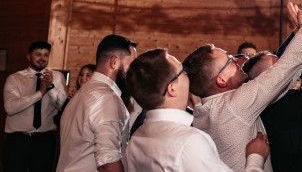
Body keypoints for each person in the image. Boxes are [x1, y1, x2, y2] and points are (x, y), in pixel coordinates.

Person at [183, 0, 302, 172]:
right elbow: (285, 68)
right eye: (229, 61)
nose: (237, 60)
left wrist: (299, 33)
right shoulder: (233, 106)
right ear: (221, 80)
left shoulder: (204, 111)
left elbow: (281, 78)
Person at [125, 48, 269, 172]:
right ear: (172, 88)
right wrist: (255, 158)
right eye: (183, 72)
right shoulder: (189, 141)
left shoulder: (135, 139)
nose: (187, 77)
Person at [57, 34, 138, 172]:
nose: (134, 73)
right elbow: (107, 163)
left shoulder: (82, 93)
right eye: (132, 66)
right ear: (114, 62)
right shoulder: (107, 98)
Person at [3, 40, 68, 171]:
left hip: (45, 140)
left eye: (45, 55)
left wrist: (50, 87)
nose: (42, 58)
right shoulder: (14, 78)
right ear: (28, 56)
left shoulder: (57, 77)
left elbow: (63, 107)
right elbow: (10, 108)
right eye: (37, 54)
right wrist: (40, 93)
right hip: (17, 140)